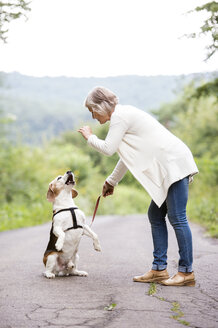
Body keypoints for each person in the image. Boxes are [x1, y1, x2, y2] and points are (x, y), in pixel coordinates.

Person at [78, 86, 198, 287]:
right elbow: (127, 157)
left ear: (102, 106)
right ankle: (159, 269)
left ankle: (186, 272)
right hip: (169, 165)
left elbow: (108, 149)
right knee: (156, 215)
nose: (93, 116)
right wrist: (111, 181)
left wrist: (90, 137)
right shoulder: (123, 116)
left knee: (177, 217)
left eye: (93, 110)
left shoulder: (119, 117)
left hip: (173, 164)